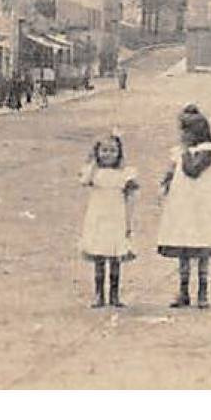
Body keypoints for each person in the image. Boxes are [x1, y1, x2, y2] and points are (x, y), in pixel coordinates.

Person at [157, 103, 211, 309]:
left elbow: (192, 170)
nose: (182, 136)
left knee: (201, 249)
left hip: (200, 206)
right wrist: (166, 182)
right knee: (183, 249)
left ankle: (203, 292)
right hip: (183, 205)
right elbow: (174, 172)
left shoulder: (208, 151)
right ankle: (183, 291)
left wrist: (183, 152)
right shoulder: (180, 152)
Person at [79, 131, 138, 308]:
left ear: (119, 153)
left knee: (114, 256)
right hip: (98, 217)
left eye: (112, 151)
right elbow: (84, 181)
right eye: (104, 150)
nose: (108, 154)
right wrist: (91, 162)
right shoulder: (94, 173)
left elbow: (131, 197)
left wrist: (128, 221)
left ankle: (114, 294)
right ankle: (99, 294)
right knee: (99, 255)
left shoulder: (124, 174)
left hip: (116, 218)